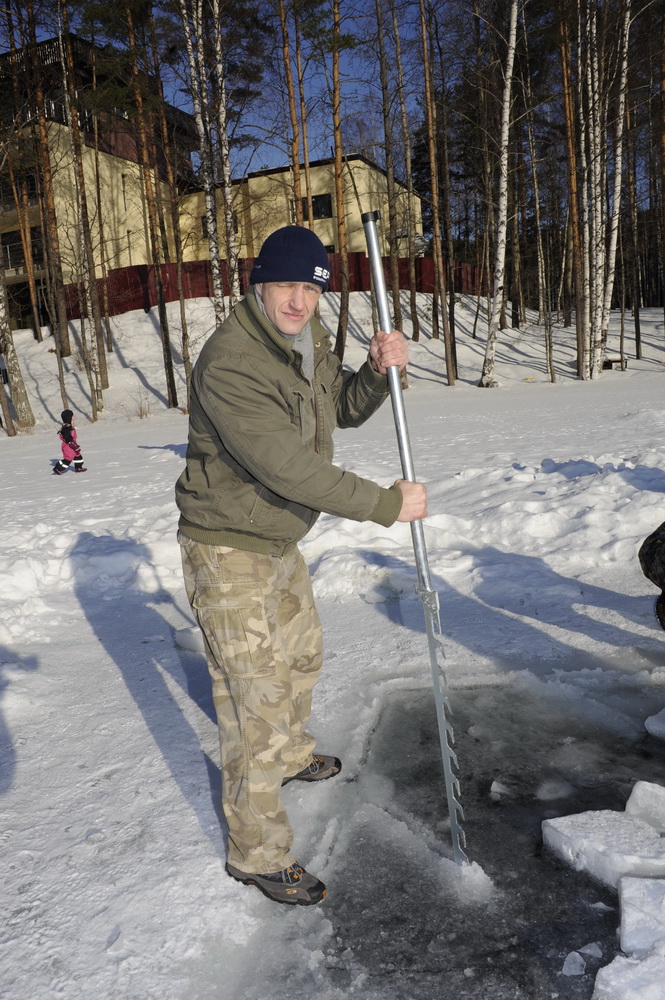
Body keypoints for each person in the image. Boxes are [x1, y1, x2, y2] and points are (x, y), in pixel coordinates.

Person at [175, 225, 427, 906]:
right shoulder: (231, 361)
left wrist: (375, 374)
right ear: (258, 285)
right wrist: (383, 504)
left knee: (300, 658)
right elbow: (285, 466)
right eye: (284, 286)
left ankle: (289, 758)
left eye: (309, 289)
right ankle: (255, 855)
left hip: (276, 538)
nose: (297, 301)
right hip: (227, 547)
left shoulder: (306, 337)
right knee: (253, 705)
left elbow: (336, 412)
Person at [53, 409, 87, 475]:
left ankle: (78, 467)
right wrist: (73, 445)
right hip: (68, 447)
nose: (74, 417)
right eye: (72, 416)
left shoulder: (69, 427)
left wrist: (75, 445)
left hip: (73, 445)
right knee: (68, 459)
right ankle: (58, 468)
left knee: (78, 456)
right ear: (68, 418)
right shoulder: (66, 429)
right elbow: (68, 439)